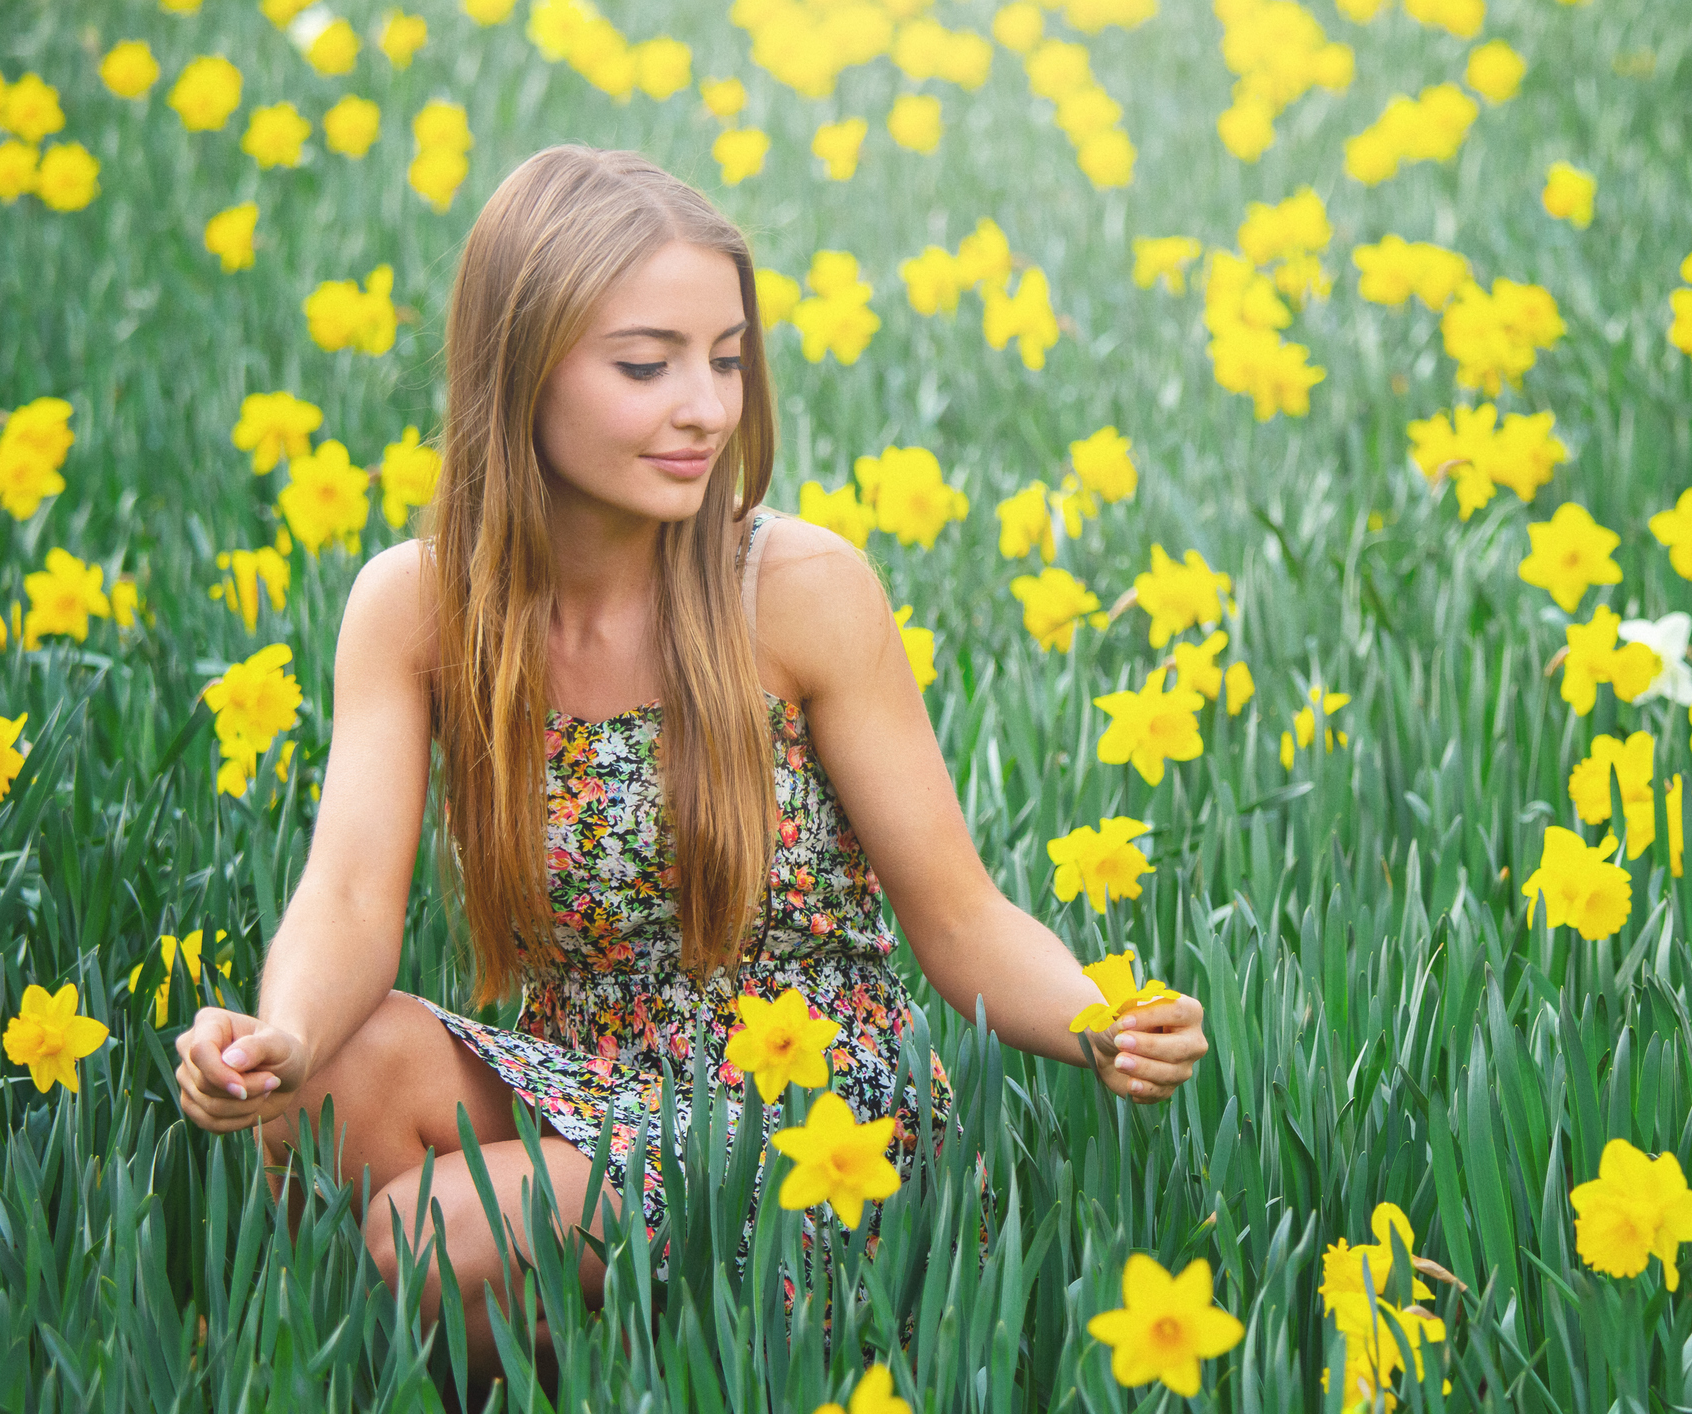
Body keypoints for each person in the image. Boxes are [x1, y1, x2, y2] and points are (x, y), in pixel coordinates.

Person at [172, 145, 1211, 1385]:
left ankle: (699, 1364)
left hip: (810, 1121)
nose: (708, 407)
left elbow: (960, 916)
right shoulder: (419, 607)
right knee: (326, 1080)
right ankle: (582, 1365)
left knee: (427, 1230)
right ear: (521, 367)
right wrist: (275, 1039)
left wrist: (1103, 1022)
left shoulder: (798, 591)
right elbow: (347, 896)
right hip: (586, 1077)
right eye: (645, 365)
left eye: (726, 359)